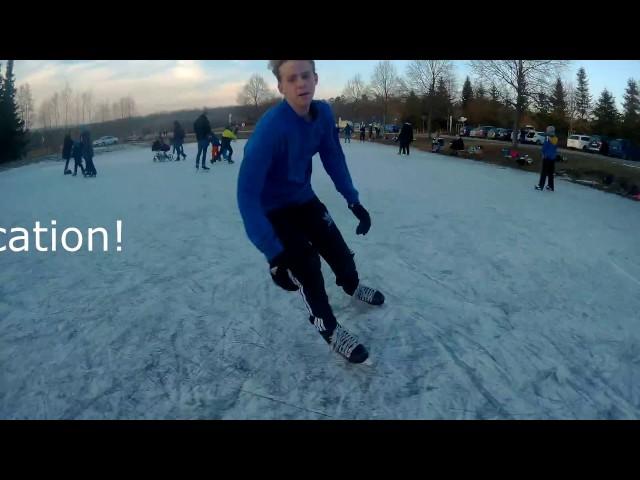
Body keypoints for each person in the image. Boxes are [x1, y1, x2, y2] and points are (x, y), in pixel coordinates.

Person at [237, 60, 385, 364]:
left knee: (337, 248)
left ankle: (352, 285)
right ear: (281, 87)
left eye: (305, 76)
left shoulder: (323, 114)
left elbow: (333, 157)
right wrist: (274, 257)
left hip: (303, 199)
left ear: (316, 79)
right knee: (306, 265)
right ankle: (329, 328)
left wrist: (353, 200)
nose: (300, 83)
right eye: (291, 79)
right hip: (273, 210)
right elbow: (246, 196)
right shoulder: (270, 131)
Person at [535, 125, 559, 191]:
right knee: (550, 173)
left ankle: (540, 186)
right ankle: (550, 186)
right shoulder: (556, 138)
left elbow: (545, 147)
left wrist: (543, 153)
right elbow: (555, 148)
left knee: (544, 172)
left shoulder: (548, 138)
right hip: (553, 158)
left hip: (546, 157)